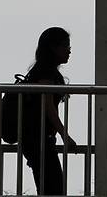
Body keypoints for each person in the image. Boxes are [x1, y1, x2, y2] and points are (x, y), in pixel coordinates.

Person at [21, 27, 77, 195]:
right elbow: (48, 107)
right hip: (39, 138)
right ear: (54, 47)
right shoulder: (45, 72)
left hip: (36, 138)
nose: (69, 50)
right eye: (65, 45)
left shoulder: (40, 71)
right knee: (53, 189)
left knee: (49, 187)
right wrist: (64, 134)